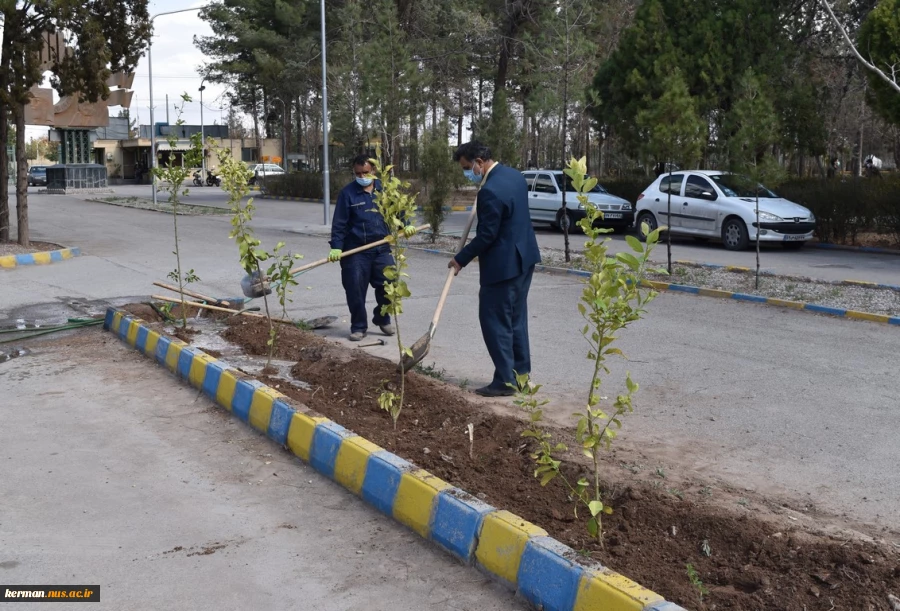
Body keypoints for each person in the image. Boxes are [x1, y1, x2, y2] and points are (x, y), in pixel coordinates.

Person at [448, 141, 541, 397]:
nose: (468, 173)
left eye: (468, 168)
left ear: (479, 161)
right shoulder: (514, 176)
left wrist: (460, 259)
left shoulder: (489, 191)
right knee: (516, 320)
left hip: (503, 268)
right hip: (524, 260)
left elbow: (487, 236)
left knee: (496, 322)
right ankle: (521, 376)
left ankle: (504, 381)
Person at [329, 154, 417, 341]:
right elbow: (339, 224)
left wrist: (405, 224)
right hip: (355, 251)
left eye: (365, 172)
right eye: (358, 173)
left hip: (381, 249)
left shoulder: (385, 191)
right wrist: (336, 246)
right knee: (355, 290)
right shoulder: (348, 193)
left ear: (374, 171)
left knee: (390, 284)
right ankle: (359, 326)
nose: (362, 176)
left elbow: (398, 212)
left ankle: (381, 317)